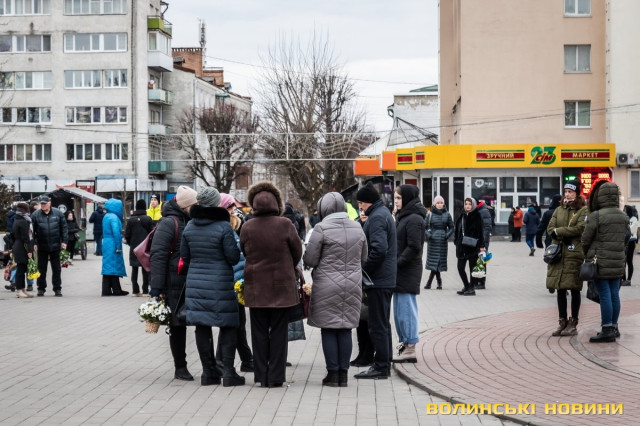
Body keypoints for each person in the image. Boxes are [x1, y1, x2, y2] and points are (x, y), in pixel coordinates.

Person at [240, 181, 303, 388]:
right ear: (277, 203)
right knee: (279, 333)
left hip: (256, 288)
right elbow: (297, 251)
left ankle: (261, 376)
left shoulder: (247, 226)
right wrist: (287, 265)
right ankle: (276, 377)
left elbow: (245, 251)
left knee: (258, 333)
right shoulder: (285, 224)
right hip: (281, 288)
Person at [181, 187, 245, 387]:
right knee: (228, 324)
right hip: (220, 282)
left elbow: (185, 256)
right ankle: (228, 372)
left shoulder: (189, 226)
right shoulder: (223, 227)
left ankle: (208, 373)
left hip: (196, 283)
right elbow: (233, 257)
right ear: (216, 203)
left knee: (201, 324)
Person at [303, 192, 367, 386]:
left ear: (324, 209)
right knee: (346, 328)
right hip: (353, 284)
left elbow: (310, 259)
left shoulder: (321, 228)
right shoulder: (357, 227)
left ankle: (332, 374)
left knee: (329, 329)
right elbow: (364, 257)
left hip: (327, 285)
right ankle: (343, 375)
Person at [149, 185, 198, 382]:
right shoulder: (169, 222)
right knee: (177, 325)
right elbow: (158, 255)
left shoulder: (191, 220)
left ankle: (208, 364)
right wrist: (157, 287)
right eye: (194, 204)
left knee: (197, 321)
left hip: (191, 279)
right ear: (185, 205)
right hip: (173, 281)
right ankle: (180, 366)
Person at [353, 182, 397, 380]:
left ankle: (381, 367)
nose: (360, 207)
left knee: (377, 325)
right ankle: (384, 362)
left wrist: (364, 271)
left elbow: (379, 250)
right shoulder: (383, 213)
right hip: (384, 279)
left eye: (360, 203)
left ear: (367, 201)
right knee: (382, 324)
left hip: (378, 280)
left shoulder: (377, 217)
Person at [581, 180, 628, 342]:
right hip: (618, 261)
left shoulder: (596, 216)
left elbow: (585, 239)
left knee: (605, 295)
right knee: (614, 294)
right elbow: (626, 237)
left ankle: (606, 329)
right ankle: (614, 327)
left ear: (600, 196)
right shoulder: (623, 216)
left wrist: (587, 253)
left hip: (599, 261)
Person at [215, 192, 254, 373]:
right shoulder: (222, 228)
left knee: (237, 323)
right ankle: (223, 361)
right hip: (227, 281)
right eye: (229, 207)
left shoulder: (237, 225)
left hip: (238, 280)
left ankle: (245, 360)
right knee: (231, 323)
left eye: (233, 206)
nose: (233, 210)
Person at [547, 180, 588, 337]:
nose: (567, 194)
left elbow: (580, 229)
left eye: (570, 192)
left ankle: (573, 323)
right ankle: (562, 322)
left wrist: (559, 231)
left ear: (576, 193)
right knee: (560, 288)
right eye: (565, 191)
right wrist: (559, 232)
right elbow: (550, 228)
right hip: (558, 254)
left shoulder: (583, 210)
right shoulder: (559, 209)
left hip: (574, 254)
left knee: (574, 288)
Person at [391, 185, 425, 364]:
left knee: (406, 310)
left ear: (408, 198)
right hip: (400, 271)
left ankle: (410, 347)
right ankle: (405, 344)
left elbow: (414, 247)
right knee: (399, 312)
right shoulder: (403, 216)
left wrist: (397, 262)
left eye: (398, 198)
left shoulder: (414, 219)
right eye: (395, 198)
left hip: (408, 271)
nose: (395, 201)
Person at [350, 207, 375, 368]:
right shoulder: (356, 225)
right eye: (360, 209)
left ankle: (369, 354)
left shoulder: (373, 225)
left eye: (365, 209)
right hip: (357, 276)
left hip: (369, 277)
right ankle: (361, 353)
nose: (363, 212)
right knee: (359, 317)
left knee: (368, 318)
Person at [31, 195, 68, 297]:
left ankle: (57, 289)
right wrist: (34, 243)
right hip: (41, 246)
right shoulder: (35, 215)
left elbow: (64, 228)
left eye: (44, 203)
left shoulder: (58, 213)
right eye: (41, 204)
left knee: (56, 269)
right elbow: (31, 231)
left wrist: (64, 241)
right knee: (41, 269)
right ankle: (41, 288)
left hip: (56, 245)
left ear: (49, 203)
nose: (43, 205)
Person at [453, 197, 484, 296]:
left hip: (472, 247)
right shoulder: (462, 215)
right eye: (466, 204)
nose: (467, 206)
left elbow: (481, 233)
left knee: (472, 269)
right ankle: (466, 286)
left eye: (470, 204)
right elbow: (457, 229)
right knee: (460, 268)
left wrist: (481, 245)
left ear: (473, 205)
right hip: (461, 247)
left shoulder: (477, 216)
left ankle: (471, 288)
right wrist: (456, 241)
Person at [424, 195, 454, 290]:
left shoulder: (447, 214)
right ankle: (437, 282)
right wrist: (429, 235)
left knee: (438, 262)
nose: (440, 204)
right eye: (438, 203)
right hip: (433, 242)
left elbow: (452, 227)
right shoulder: (430, 214)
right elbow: (424, 227)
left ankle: (431, 283)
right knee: (435, 262)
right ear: (434, 204)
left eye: (441, 203)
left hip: (442, 242)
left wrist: (447, 235)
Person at [124, 199, 153, 296]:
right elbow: (151, 234)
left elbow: (127, 235)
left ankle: (135, 290)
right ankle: (145, 290)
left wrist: (131, 243)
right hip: (145, 248)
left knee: (134, 268)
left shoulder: (131, 220)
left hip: (134, 247)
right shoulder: (148, 219)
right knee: (145, 269)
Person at [100, 198, 128, 296]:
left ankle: (107, 289)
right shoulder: (114, 218)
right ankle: (116, 290)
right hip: (113, 243)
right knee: (114, 266)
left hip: (106, 242)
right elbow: (116, 233)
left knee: (108, 267)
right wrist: (118, 247)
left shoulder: (106, 216)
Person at [12, 202, 35, 298]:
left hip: (18, 246)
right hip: (22, 247)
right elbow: (26, 237)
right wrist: (29, 250)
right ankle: (19, 290)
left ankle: (22, 289)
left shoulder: (17, 219)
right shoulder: (23, 221)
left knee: (22, 269)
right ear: (25, 210)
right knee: (21, 270)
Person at [475, 199, 492, 289]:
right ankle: (476, 280)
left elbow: (486, 228)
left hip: (482, 242)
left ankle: (481, 282)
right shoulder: (477, 210)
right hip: (476, 241)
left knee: (481, 261)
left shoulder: (484, 211)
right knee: (476, 261)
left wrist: (483, 244)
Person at [622, 205, 638, 286]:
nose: (624, 211)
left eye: (625, 209)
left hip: (631, 241)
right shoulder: (624, 218)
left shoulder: (634, 219)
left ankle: (629, 280)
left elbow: (632, 229)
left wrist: (625, 230)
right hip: (624, 241)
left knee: (629, 261)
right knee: (623, 261)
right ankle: (623, 279)